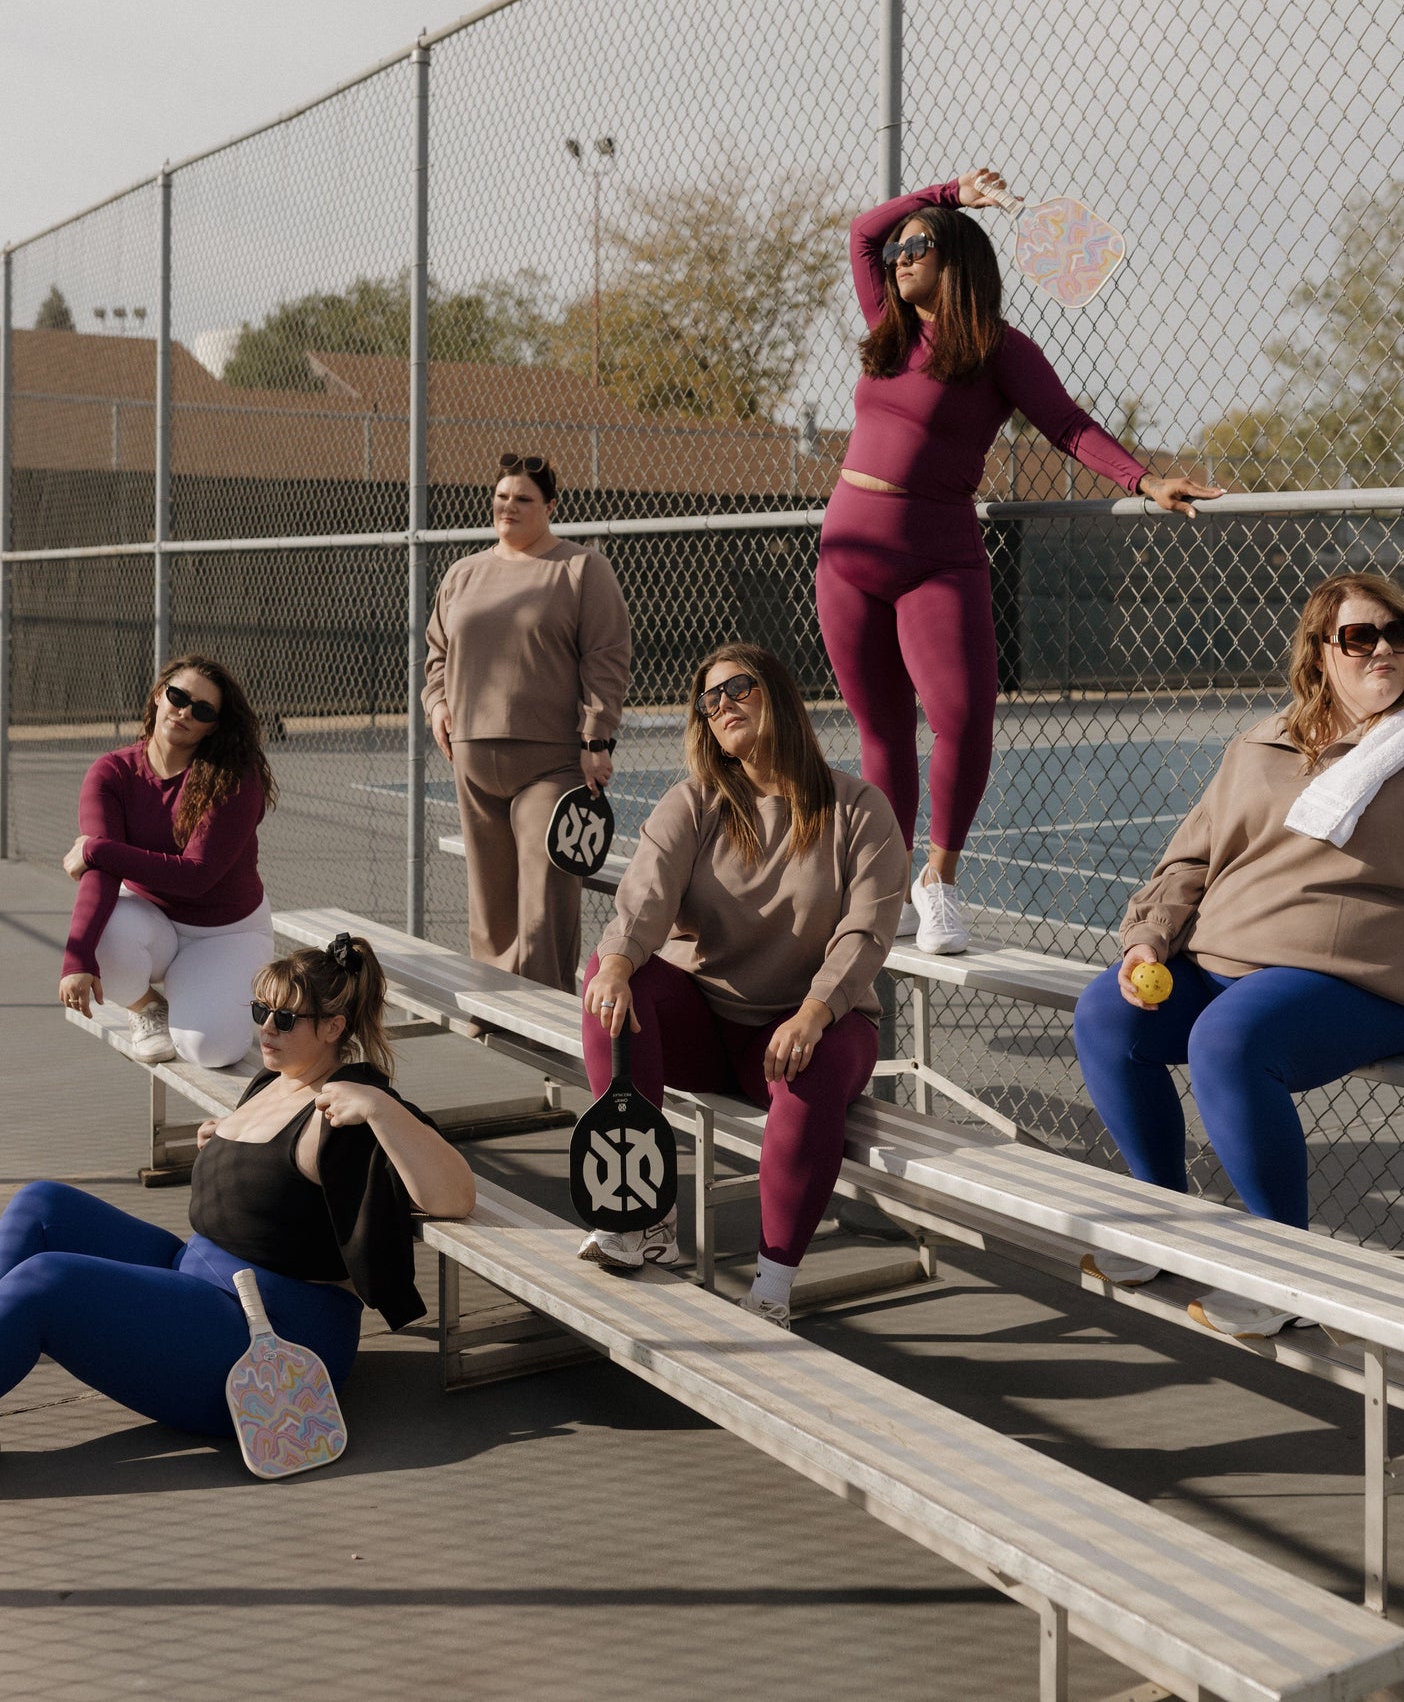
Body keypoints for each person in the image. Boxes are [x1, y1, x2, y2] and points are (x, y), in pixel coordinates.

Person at [816, 172, 1220, 955]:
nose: (898, 257)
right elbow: (864, 230)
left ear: (957, 258)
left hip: (937, 556)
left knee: (963, 714)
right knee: (881, 729)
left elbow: (1067, 424)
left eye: (918, 246)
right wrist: (946, 192)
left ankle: (939, 879)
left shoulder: (1000, 350)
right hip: (847, 552)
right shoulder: (887, 326)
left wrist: (1141, 477)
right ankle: (889, 884)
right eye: (900, 251)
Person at [1073, 572, 1404, 1338]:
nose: (1383, 648)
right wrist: (1147, 935)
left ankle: (1288, 1274)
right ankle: (1165, 1222)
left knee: (1229, 1037)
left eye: (1397, 632)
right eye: (1359, 635)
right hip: (1219, 960)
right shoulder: (1257, 744)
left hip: (1354, 981)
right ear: (1318, 653)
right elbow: (1187, 863)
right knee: (1105, 1013)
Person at [1, 934, 475, 1440]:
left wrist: (383, 1110)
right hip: (198, 1278)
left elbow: (454, 1196)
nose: (266, 1029)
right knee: (41, 1204)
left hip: (266, 1337)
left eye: (286, 1019)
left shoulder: (350, 1105)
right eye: (261, 1010)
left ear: (334, 1027)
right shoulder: (277, 1080)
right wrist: (225, 1145)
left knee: (47, 1281)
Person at [580, 641, 907, 1330]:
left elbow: (865, 931)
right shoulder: (693, 802)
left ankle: (772, 1287)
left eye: (737, 688)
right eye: (708, 698)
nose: (721, 704)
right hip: (706, 1022)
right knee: (608, 979)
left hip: (809, 1027)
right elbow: (642, 902)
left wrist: (814, 1012)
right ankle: (642, 1211)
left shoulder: (858, 807)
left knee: (812, 1063)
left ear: (779, 694)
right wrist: (614, 961)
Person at [424, 452, 631, 991]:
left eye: (523, 499)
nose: (508, 507)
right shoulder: (463, 573)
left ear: (550, 507)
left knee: (544, 903)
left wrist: (597, 736)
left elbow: (606, 658)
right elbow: (437, 653)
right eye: (501, 498)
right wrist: (437, 703)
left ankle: (545, 1014)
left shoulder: (582, 568)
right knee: (489, 903)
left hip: (553, 765)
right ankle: (494, 1010)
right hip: (472, 759)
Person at [58, 655, 279, 1068]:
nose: (184, 712)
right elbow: (100, 879)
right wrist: (77, 959)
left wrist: (95, 848)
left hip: (225, 932)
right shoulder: (111, 773)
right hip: (150, 919)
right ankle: (147, 1006)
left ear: (214, 724)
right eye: (178, 696)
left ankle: (198, 988)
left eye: (203, 710)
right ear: (159, 695)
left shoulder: (234, 777)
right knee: (105, 933)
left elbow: (198, 877)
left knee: (211, 1051)